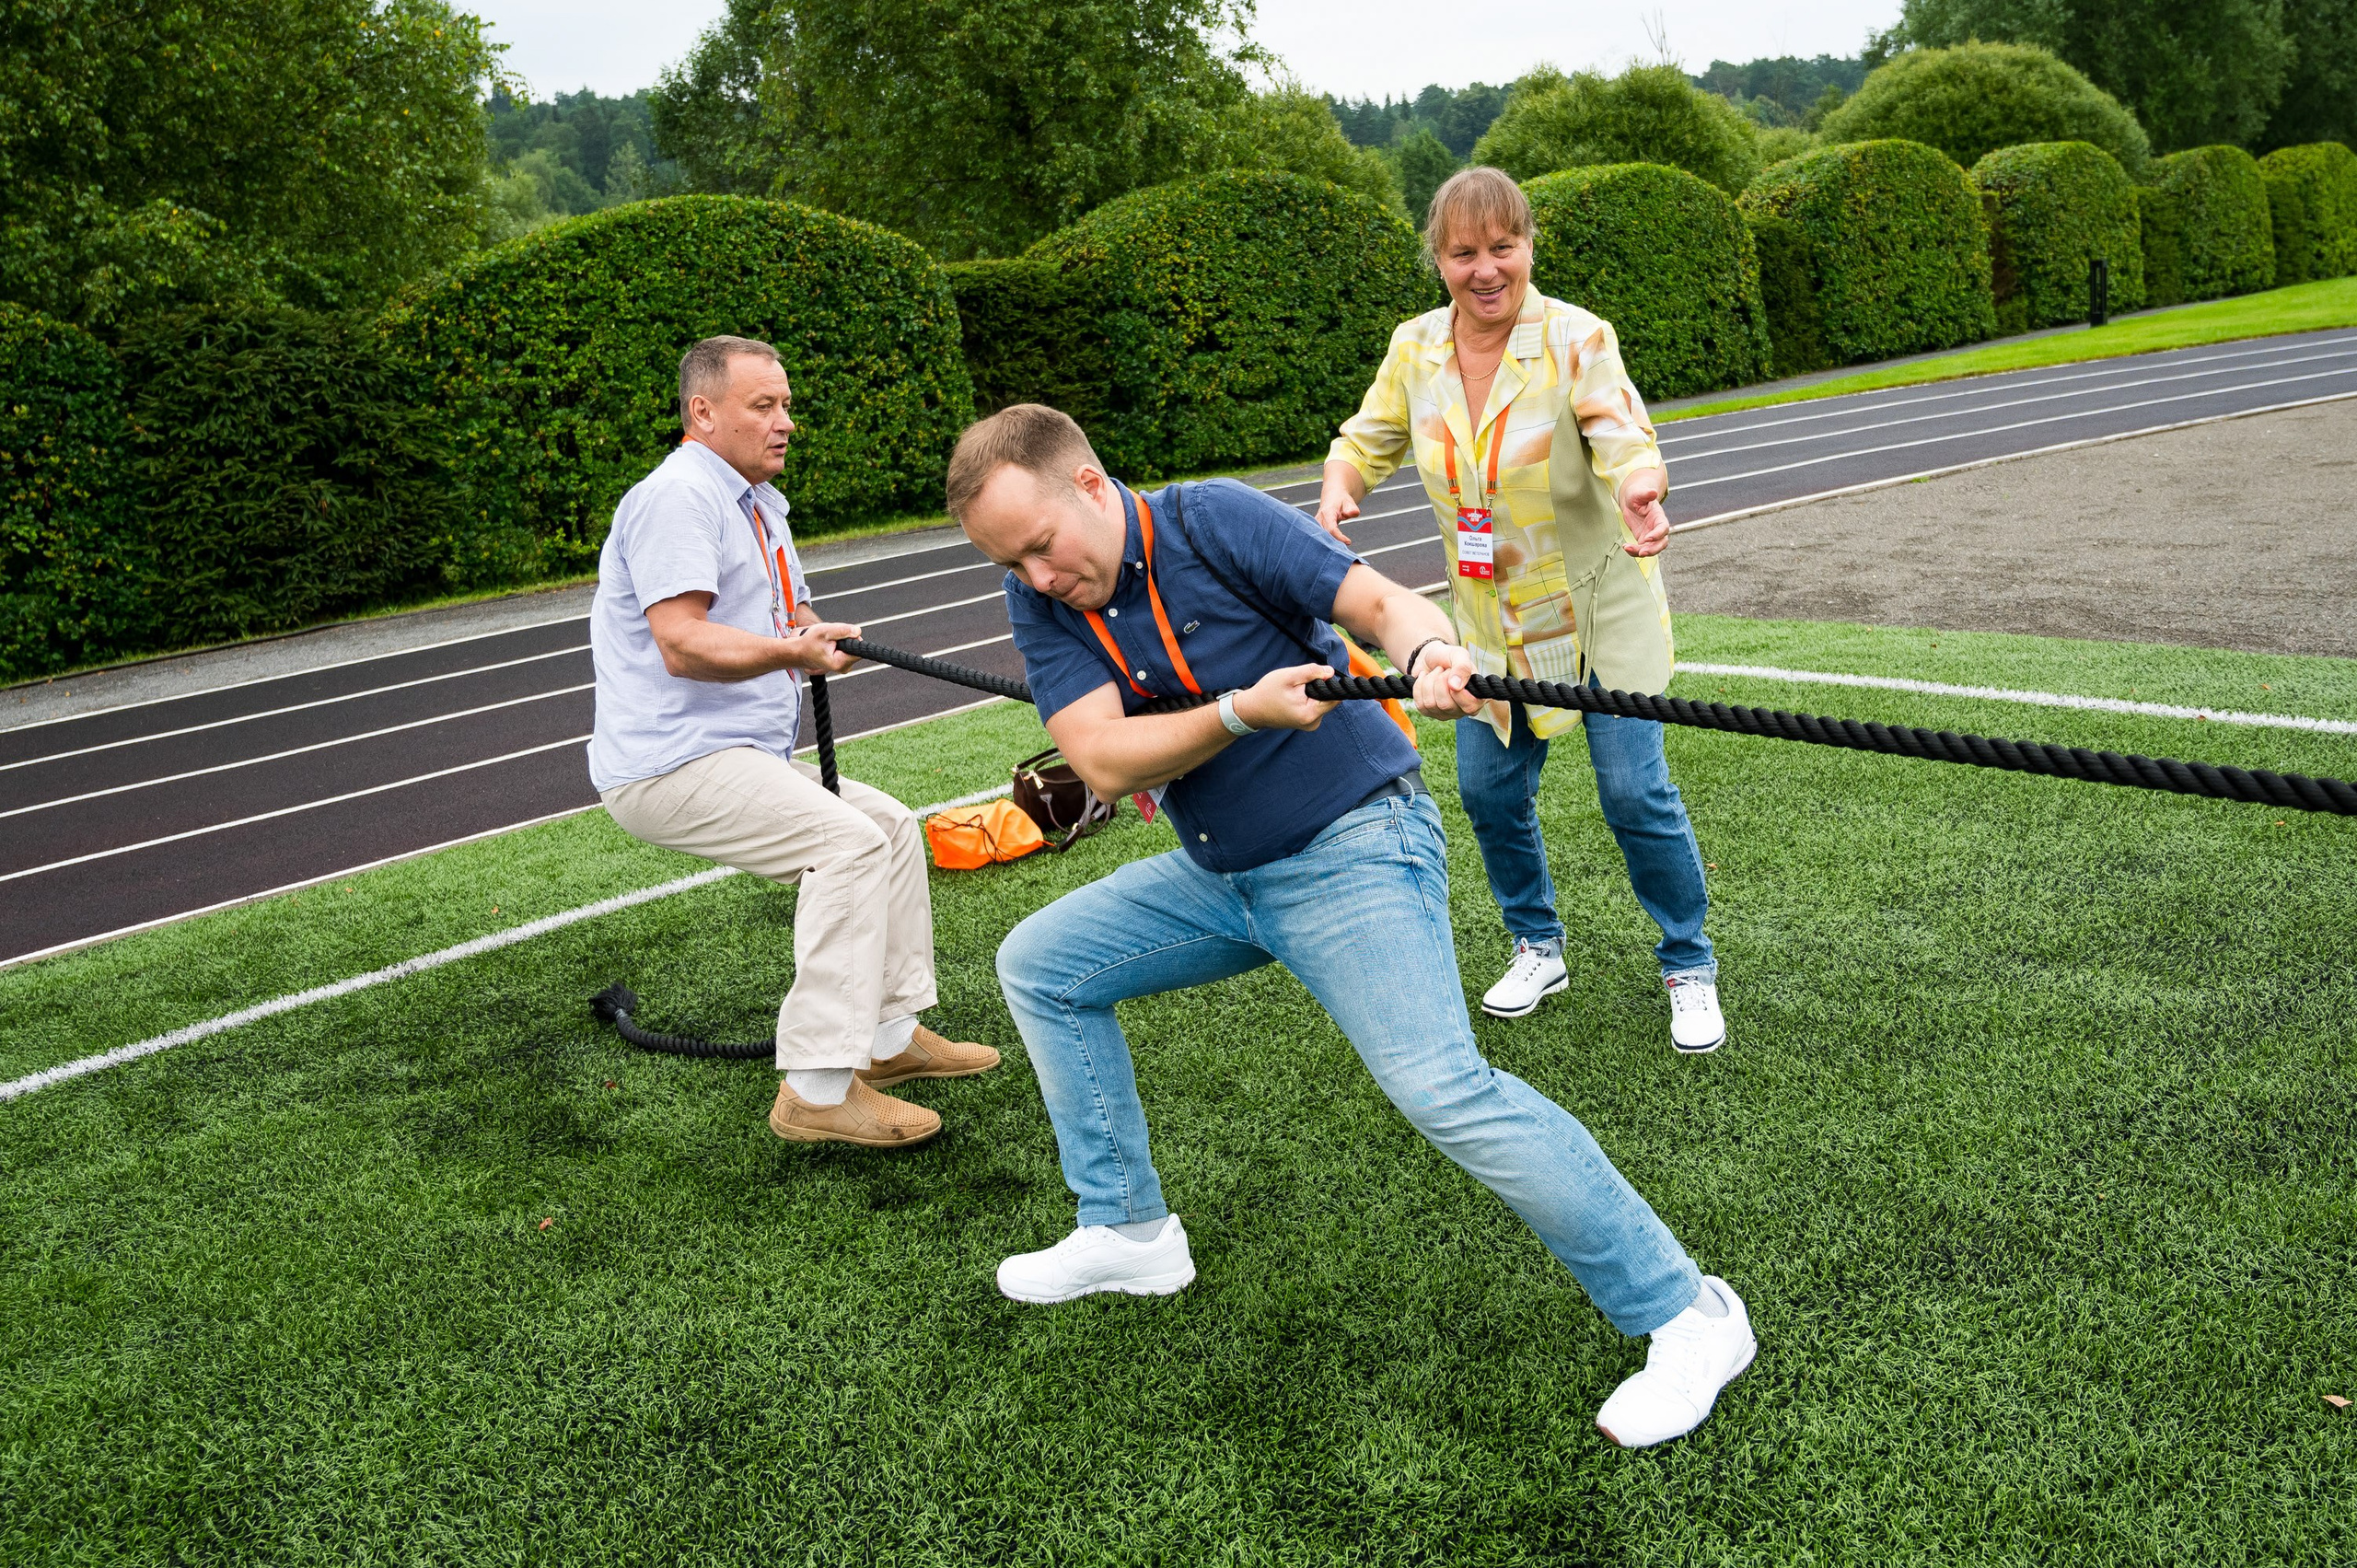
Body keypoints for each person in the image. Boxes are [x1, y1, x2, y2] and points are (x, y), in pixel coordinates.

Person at [950, 402, 1755, 1448]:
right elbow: (1100, 758)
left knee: (1442, 1087)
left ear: (1092, 487)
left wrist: (1432, 650)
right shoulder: (1040, 594)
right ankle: (1129, 1228)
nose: (1036, 577)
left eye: (1042, 546)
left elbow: (1378, 600)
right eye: (1011, 563)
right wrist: (1240, 710)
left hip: (1354, 843)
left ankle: (1691, 1312)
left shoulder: (1211, 519)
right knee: (1040, 964)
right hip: (1223, 872)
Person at [1318, 167, 1725, 1052]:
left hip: (1598, 609)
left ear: (1528, 246)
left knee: (1633, 792)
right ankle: (1538, 944)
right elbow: (1367, 436)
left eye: (1503, 247)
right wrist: (1341, 484)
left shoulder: (1579, 337)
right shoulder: (1415, 348)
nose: (1486, 269)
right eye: (1464, 252)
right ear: (1439, 259)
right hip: (1488, 620)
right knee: (1489, 793)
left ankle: (1688, 963)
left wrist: (1642, 490)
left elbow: (1623, 433)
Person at [587, 334, 998, 1148]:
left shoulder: (759, 502)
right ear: (703, 412)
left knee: (888, 826)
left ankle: (887, 1039)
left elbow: (788, 614)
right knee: (847, 844)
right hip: (670, 763)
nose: (786, 422)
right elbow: (681, 641)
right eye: (764, 406)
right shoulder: (679, 498)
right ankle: (814, 1089)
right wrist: (791, 650)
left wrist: (814, 633)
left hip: (735, 754)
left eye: (786, 404)